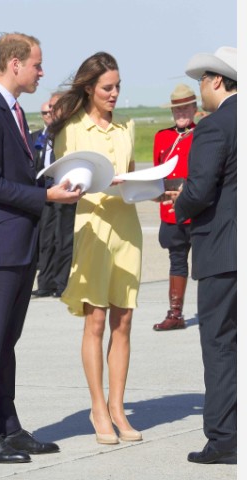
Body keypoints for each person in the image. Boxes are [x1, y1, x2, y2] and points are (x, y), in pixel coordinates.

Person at [0, 32, 83, 464]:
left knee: (6, 343)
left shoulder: (11, 112)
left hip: (18, 245)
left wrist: (51, 184)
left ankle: (7, 427)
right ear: (14, 64)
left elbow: (14, 177)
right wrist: (45, 199)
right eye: (36, 64)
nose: (41, 71)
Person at [48, 52, 143, 445]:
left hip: (126, 230)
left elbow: (134, 179)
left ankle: (118, 407)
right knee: (97, 321)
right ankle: (97, 407)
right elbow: (61, 183)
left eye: (118, 86)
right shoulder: (71, 131)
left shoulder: (126, 130)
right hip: (91, 229)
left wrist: (145, 187)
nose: (115, 93)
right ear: (89, 88)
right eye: (108, 87)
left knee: (122, 324)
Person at [165, 46, 237, 464]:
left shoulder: (214, 127)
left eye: (201, 83)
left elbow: (202, 187)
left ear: (215, 81)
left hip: (223, 253)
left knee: (221, 344)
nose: (200, 91)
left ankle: (225, 438)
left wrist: (180, 201)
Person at [152, 84, 198, 331]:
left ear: (194, 109)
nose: (181, 113)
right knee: (177, 260)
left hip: (198, 210)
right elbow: (157, 175)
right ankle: (175, 313)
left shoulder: (202, 134)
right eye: (177, 109)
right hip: (171, 212)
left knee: (208, 265)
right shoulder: (162, 137)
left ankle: (220, 313)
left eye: (185, 108)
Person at [31, 92, 77, 298]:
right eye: (48, 108)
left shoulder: (70, 131)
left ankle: (61, 283)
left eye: (54, 107)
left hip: (65, 185)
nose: (50, 111)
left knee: (64, 237)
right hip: (46, 187)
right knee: (46, 236)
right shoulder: (44, 134)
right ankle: (45, 283)